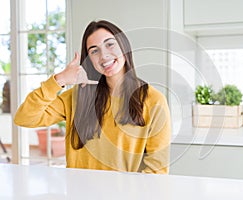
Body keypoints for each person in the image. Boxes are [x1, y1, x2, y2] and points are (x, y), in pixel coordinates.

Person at [14, 20, 171, 174]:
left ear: (124, 46)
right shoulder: (77, 97)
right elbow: (24, 118)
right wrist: (59, 80)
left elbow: (157, 170)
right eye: (94, 51)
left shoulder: (153, 100)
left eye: (110, 44)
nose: (104, 56)